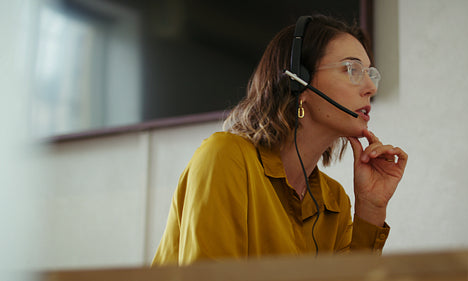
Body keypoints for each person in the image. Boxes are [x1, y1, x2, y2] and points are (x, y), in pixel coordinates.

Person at [152, 14, 408, 266]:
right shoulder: (225, 158)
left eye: (370, 74)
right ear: (300, 80)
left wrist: (371, 209)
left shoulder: (334, 201)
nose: (371, 88)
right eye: (352, 69)